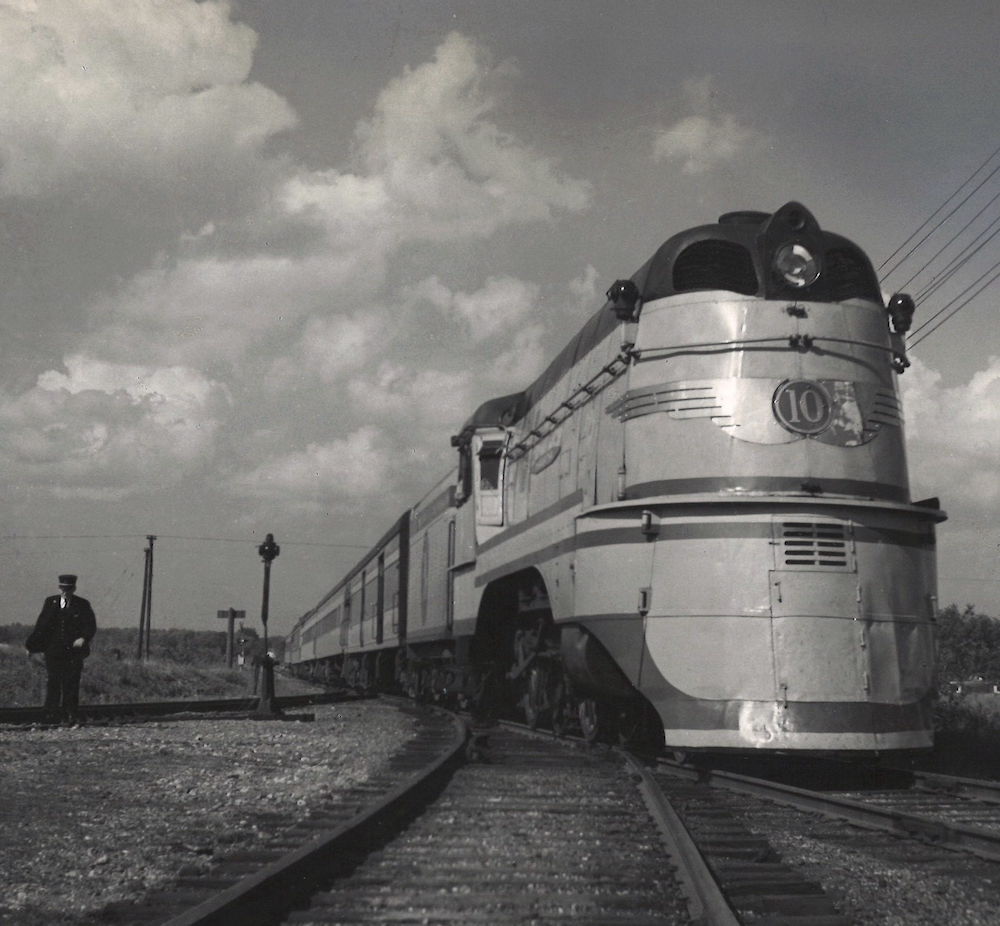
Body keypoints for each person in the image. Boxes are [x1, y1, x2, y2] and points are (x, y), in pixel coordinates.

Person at [25, 574, 97, 723]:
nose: (66, 591)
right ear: (59, 588)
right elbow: (41, 626)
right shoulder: (50, 602)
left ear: (74, 588)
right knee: (53, 681)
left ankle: (70, 713)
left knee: (71, 682)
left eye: (69, 589)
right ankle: (50, 713)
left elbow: (90, 625)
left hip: (74, 652)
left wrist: (83, 638)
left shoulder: (82, 604)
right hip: (54, 650)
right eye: (63, 588)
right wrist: (31, 646)